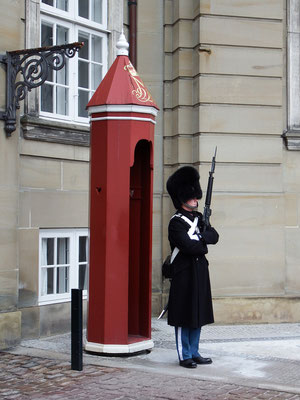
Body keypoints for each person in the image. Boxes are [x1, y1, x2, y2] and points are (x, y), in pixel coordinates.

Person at [166, 166, 219, 369]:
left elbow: (214, 236)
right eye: (192, 197)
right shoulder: (176, 223)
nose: (196, 199)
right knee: (183, 315)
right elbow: (189, 246)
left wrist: (202, 237)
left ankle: (194, 352)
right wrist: (202, 240)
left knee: (197, 314)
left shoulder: (199, 219)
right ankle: (184, 354)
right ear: (183, 198)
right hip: (183, 273)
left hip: (199, 272)